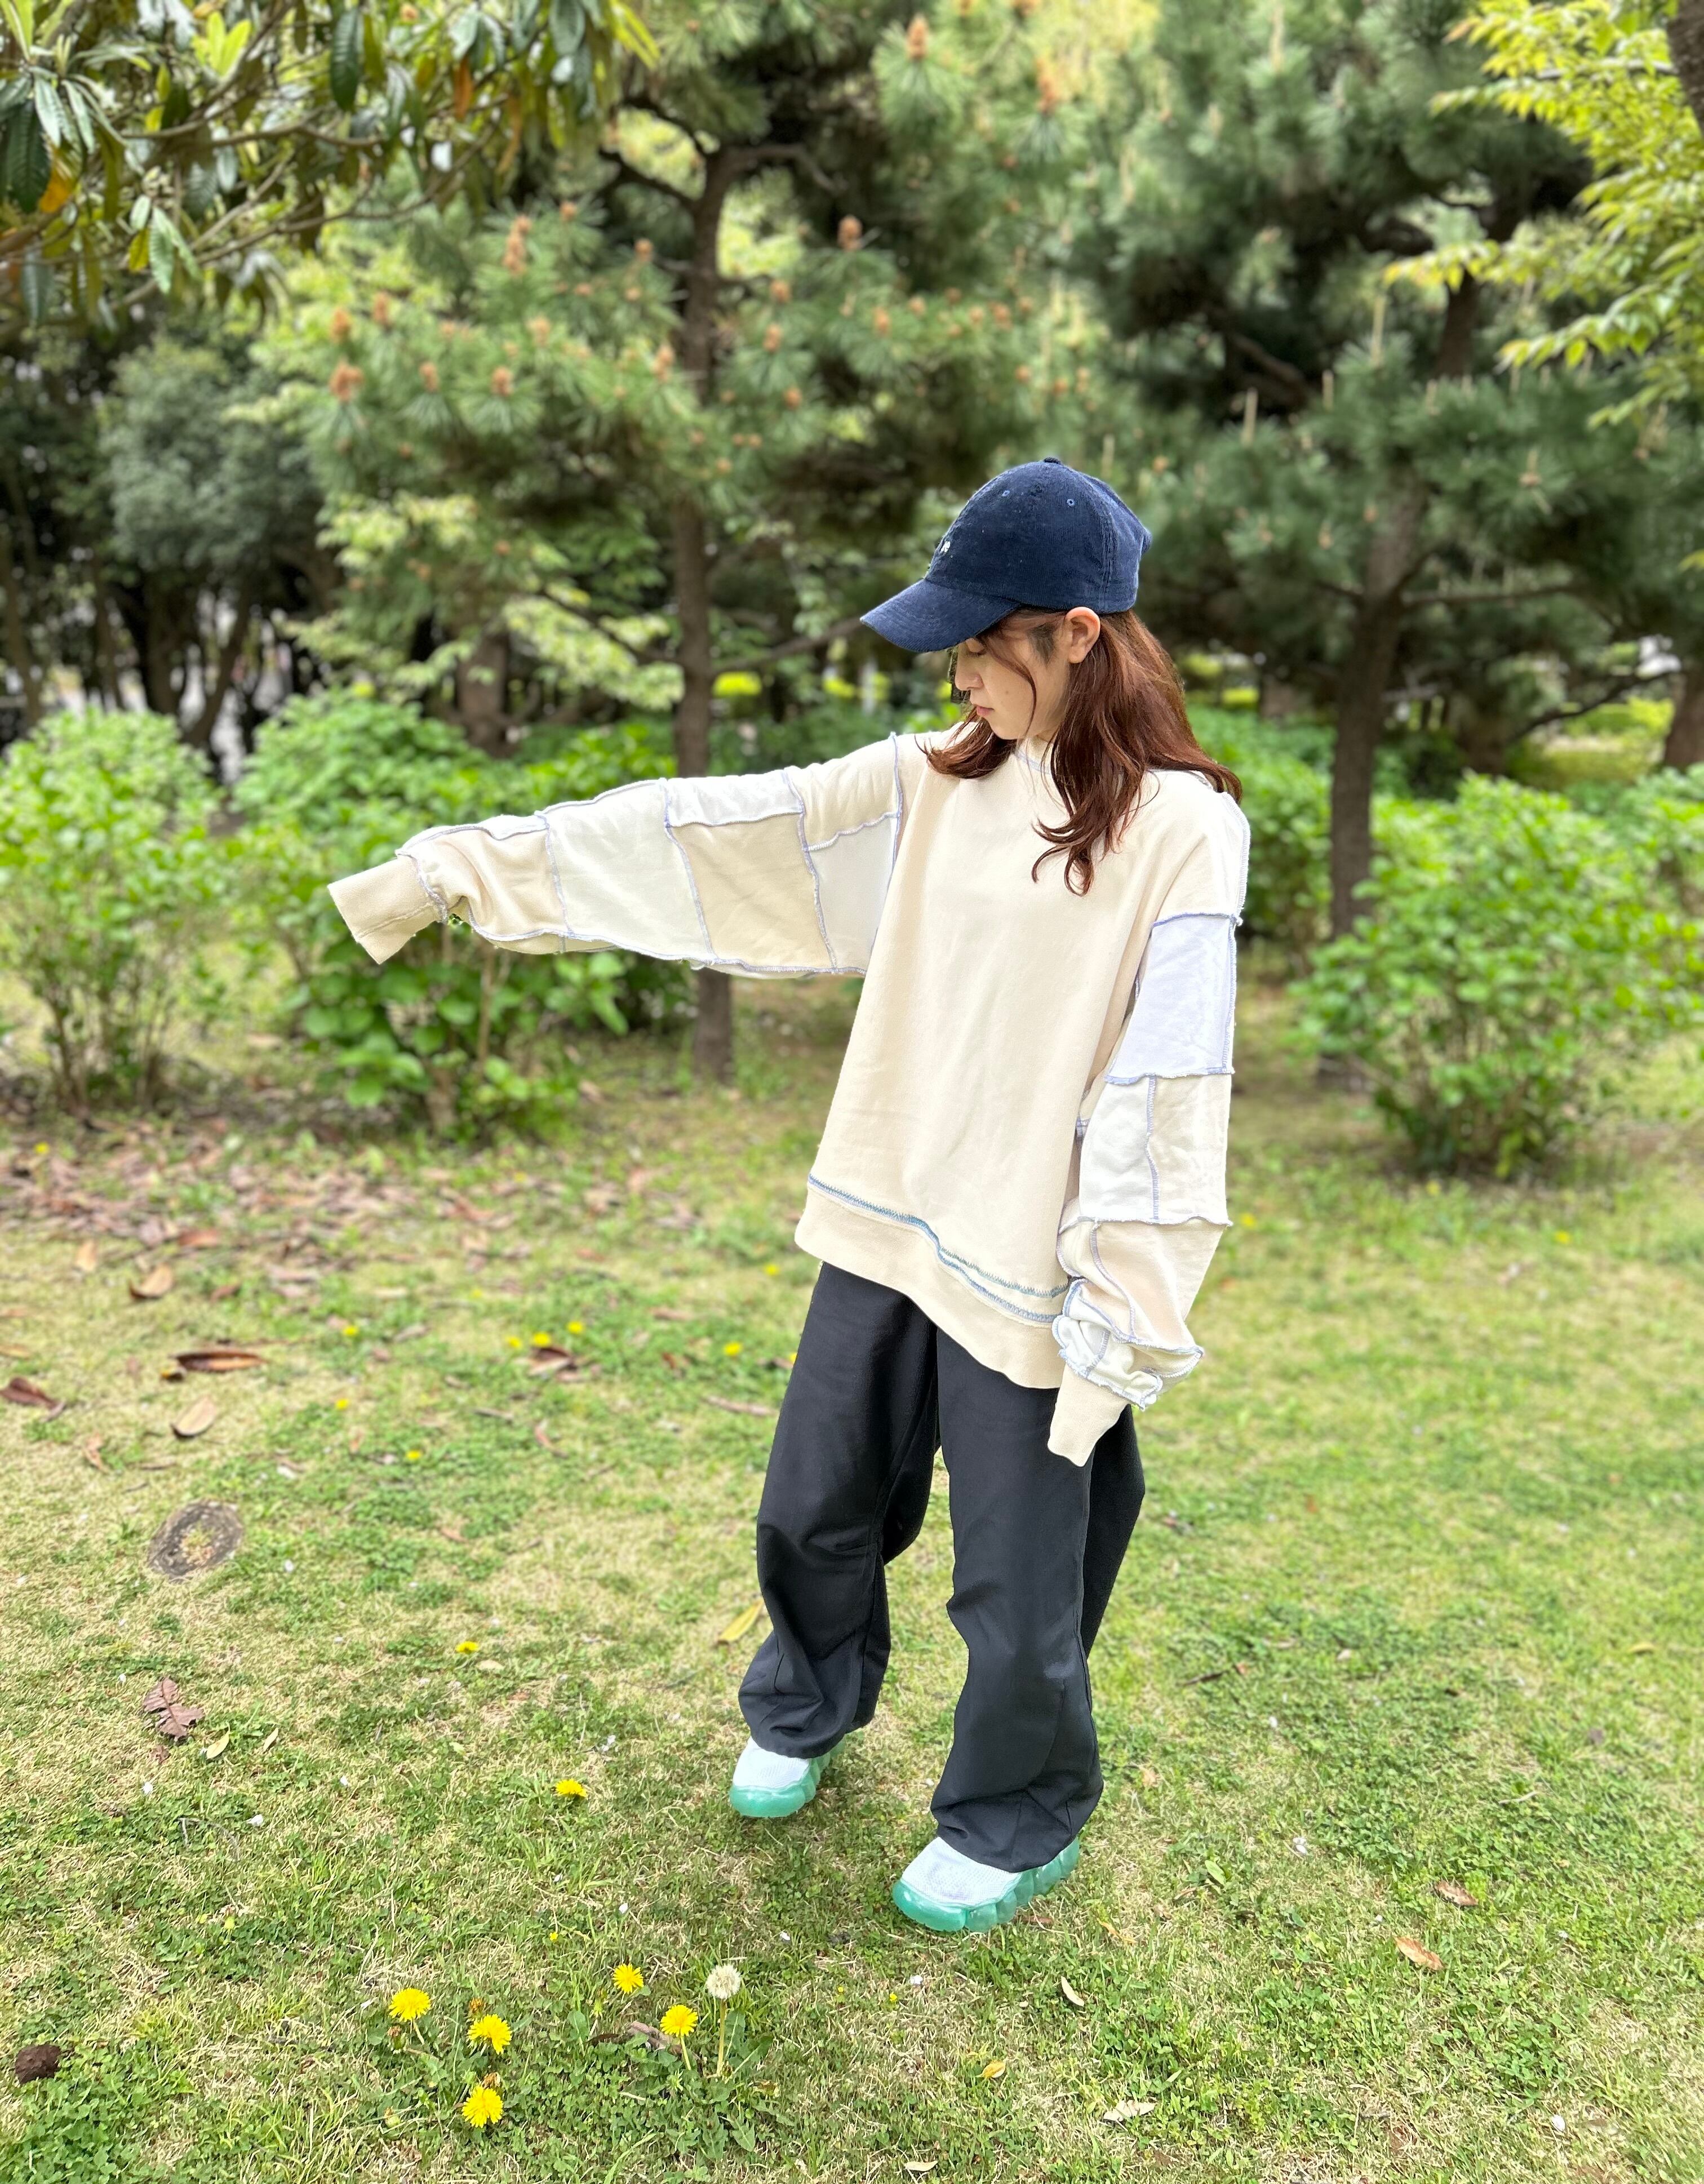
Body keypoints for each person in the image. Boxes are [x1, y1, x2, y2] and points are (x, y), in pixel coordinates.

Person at [329, 458, 1248, 1935]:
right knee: (815, 1503)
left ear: (1078, 634)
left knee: (1020, 1578)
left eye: (981, 643)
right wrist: (474, 869)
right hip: (889, 1213)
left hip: (1036, 1257)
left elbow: (1171, 1087)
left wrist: (1125, 1304)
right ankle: (810, 1702)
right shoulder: (937, 784)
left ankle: (1015, 1816)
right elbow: (715, 833)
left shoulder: (1185, 831)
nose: (958, 674)